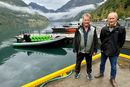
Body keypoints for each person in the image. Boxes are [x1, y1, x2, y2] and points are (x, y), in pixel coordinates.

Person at [95, 12, 126, 87]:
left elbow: (122, 41)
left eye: (113, 18)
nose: (111, 20)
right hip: (104, 51)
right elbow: (102, 39)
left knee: (113, 67)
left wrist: (117, 49)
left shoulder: (121, 29)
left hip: (114, 52)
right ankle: (101, 73)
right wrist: (104, 47)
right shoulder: (104, 29)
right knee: (102, 64)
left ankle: (112, 79)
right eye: (109, 18)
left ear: (116, 19)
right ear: (107, 19)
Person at [73, 13, 98, 80]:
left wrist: (95, 50)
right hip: (80, 51)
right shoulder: (78, 29)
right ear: (83, 20)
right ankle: (77, 72)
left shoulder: (93, 29)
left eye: (88, 20)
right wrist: (75, 48)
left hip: (89, 51)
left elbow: (95, 40)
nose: (86, 21)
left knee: (89, 63)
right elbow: (75, 39)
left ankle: (88, 73)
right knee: (78, 63)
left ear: (90, 20)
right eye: (85, 20)